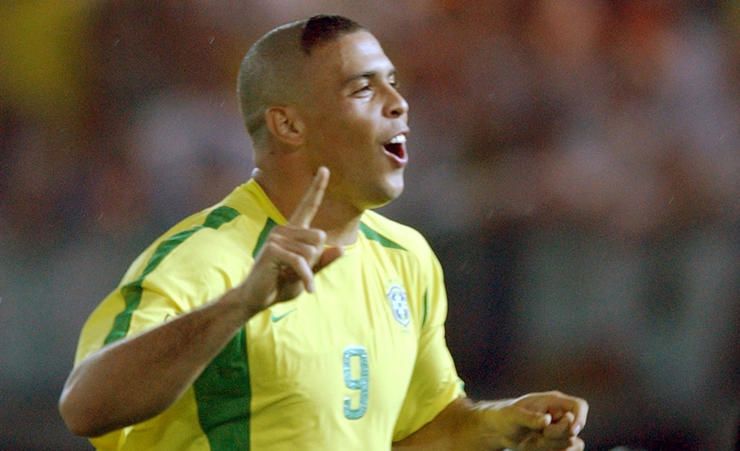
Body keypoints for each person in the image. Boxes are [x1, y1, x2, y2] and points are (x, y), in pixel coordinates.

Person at [59, 15, 588, 451]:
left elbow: (418, 431)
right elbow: (84, 406)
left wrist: (496, 426)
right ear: (289, 125)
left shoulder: (405, 256)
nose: (398, 102)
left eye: (393, 82)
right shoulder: (208, 256)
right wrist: (239, 305)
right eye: (363, 88)